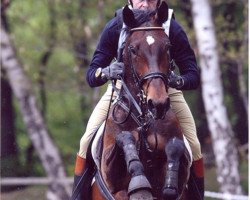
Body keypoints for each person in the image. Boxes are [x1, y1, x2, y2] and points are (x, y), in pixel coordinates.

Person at [72, 0, 204, 199]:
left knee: (194, 146)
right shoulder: (117, 26)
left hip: (166, 91)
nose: (145, 2)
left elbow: (193, 75)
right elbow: (92, 74)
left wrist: (178, 80)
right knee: (85, 142)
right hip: (121, 91)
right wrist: (106, 71)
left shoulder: (171, 27)